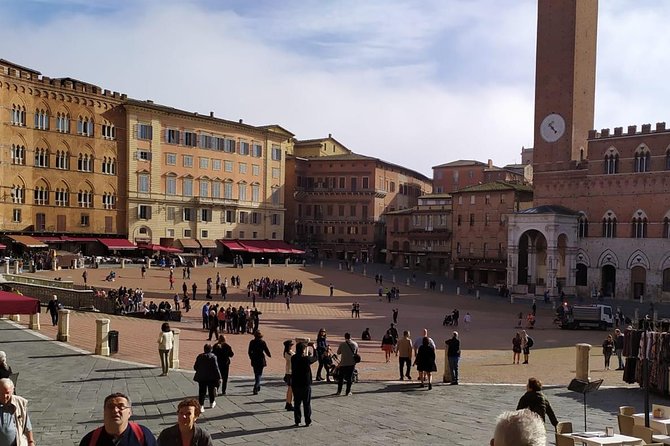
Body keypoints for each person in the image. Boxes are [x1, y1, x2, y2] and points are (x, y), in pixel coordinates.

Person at [79, 392, 156, 445]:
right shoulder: (91, 440)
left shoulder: (142, 434)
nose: (115, 410)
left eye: (121, 407)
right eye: (110, 407)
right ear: (104, 412)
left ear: (129, 412)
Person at [0, 378, 35, 446]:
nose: (5, 396)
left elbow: (27, 425)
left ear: (12, 391)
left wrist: (31, 442)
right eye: (1, 393)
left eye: (7, 393)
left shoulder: (19, 403)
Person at [291, 341, 318, 427]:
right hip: (305, 383)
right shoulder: (306, 359)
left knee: (297, 403)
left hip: (296, 383)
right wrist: (314, 348)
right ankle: (307, 421)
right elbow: (315, 358)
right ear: (303, 350)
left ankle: (297, 420)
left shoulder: (293, 358)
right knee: (306, 403)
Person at [193, 344, 221, 412]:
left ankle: (201, 405)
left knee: (202, 391)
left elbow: (195, 367)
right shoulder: (213, 357)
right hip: (211, 377)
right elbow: (216, 368)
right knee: (211, 390)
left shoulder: (200, 356)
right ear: (211, 349)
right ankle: (212, 402)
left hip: (202, 377)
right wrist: (219, 377)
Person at [248, 330, 271, 395]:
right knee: (259, 374)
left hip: (254, 359)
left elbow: (249, 351)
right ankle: (256, 386)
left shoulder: (252, 342)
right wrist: (269, 355)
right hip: (261, 359)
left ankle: (258, 385)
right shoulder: (262, 342)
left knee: (256, 373)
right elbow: (266, 350)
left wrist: (251, 357)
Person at [283, 340, 295, 411]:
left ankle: (288, 403)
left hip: (289, 372)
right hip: (290, 373)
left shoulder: (287, 352)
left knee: (290, 389)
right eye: (291, 345)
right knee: (290, 389)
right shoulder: (289, 353)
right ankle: (289, 403)